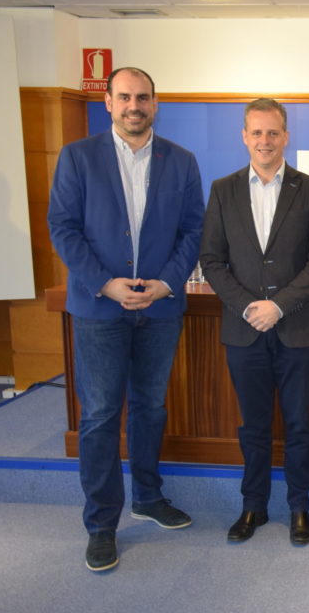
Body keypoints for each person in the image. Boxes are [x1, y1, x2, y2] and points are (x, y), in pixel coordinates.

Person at [47, 67, 204, 571]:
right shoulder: (78, 156)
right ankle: (101, 524)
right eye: (124, 97)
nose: (134, 105)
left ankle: (148, 496)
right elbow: (64, 228)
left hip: (159, 305)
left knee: (150, 407)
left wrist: (166, 282)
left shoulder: (180, 161)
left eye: (143, 97)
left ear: (154, 104)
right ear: (109, 103)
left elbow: (193, 230)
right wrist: (105, 283)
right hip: (100, 308)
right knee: (98, 416)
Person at [199, 98, 309, 546]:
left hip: (295, 328)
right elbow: (212, 260)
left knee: (299, 425)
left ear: (286, 136)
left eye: (273, 132)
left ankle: (299, 508)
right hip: (243, 330)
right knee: (252, 426)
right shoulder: (223, 189)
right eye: (256, 132)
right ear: (244, 136)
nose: (265, 141)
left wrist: (278, 306)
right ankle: (253, 506)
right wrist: (248, 306)